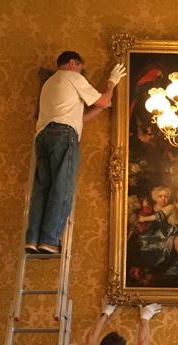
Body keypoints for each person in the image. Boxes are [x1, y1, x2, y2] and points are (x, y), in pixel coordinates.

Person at [25, 52, 125, 254]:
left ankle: (33, 239)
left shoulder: (50, 83)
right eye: (80, 68)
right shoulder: (72, 76)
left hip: (43, 136)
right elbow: (104, 101)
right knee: (62, 188)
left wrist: (101, 108)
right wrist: (111, 83)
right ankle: (50, 240)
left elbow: (78, 118)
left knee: (42, 189)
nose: (81, 73)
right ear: (72, 63)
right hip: (63, 136)